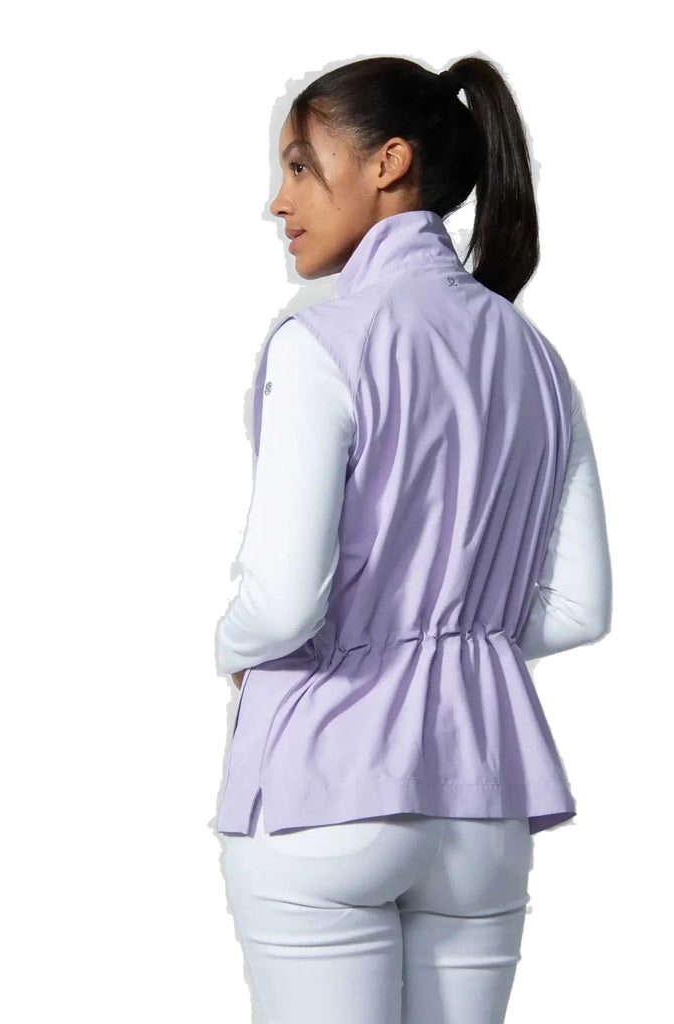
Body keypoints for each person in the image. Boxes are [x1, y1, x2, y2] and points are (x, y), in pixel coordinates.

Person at [214, 55, 612, 1024]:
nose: (278, 201)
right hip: (483, 799)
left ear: (388, 163)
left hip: (323, 788)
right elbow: (578, 609)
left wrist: (232, 649)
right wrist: (453, 641)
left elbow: (282, 605)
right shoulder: (536, 359)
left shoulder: (322, 343)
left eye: (300, 166)